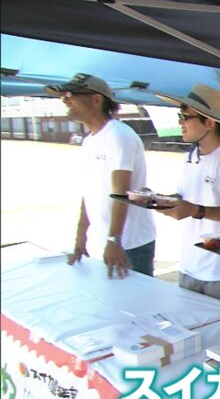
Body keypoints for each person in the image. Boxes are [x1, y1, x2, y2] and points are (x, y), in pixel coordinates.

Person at [154, 85, 220, 309]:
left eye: (185, 116)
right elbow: (187, 198)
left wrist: (197, 210)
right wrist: (164, 200)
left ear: (209, 123)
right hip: (190, 265)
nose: (180, 122)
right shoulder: (191, 156)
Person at [47, 73, 157, 278]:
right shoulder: (90, 141)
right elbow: (89, 193)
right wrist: (81, 238)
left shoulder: (118, 136)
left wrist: (115, 240)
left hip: (129, 244)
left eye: (71, 94)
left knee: (135, 306)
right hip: (106, 242)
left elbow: (121, 193)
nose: (65, 100)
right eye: (63, 96)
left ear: (97, 99)